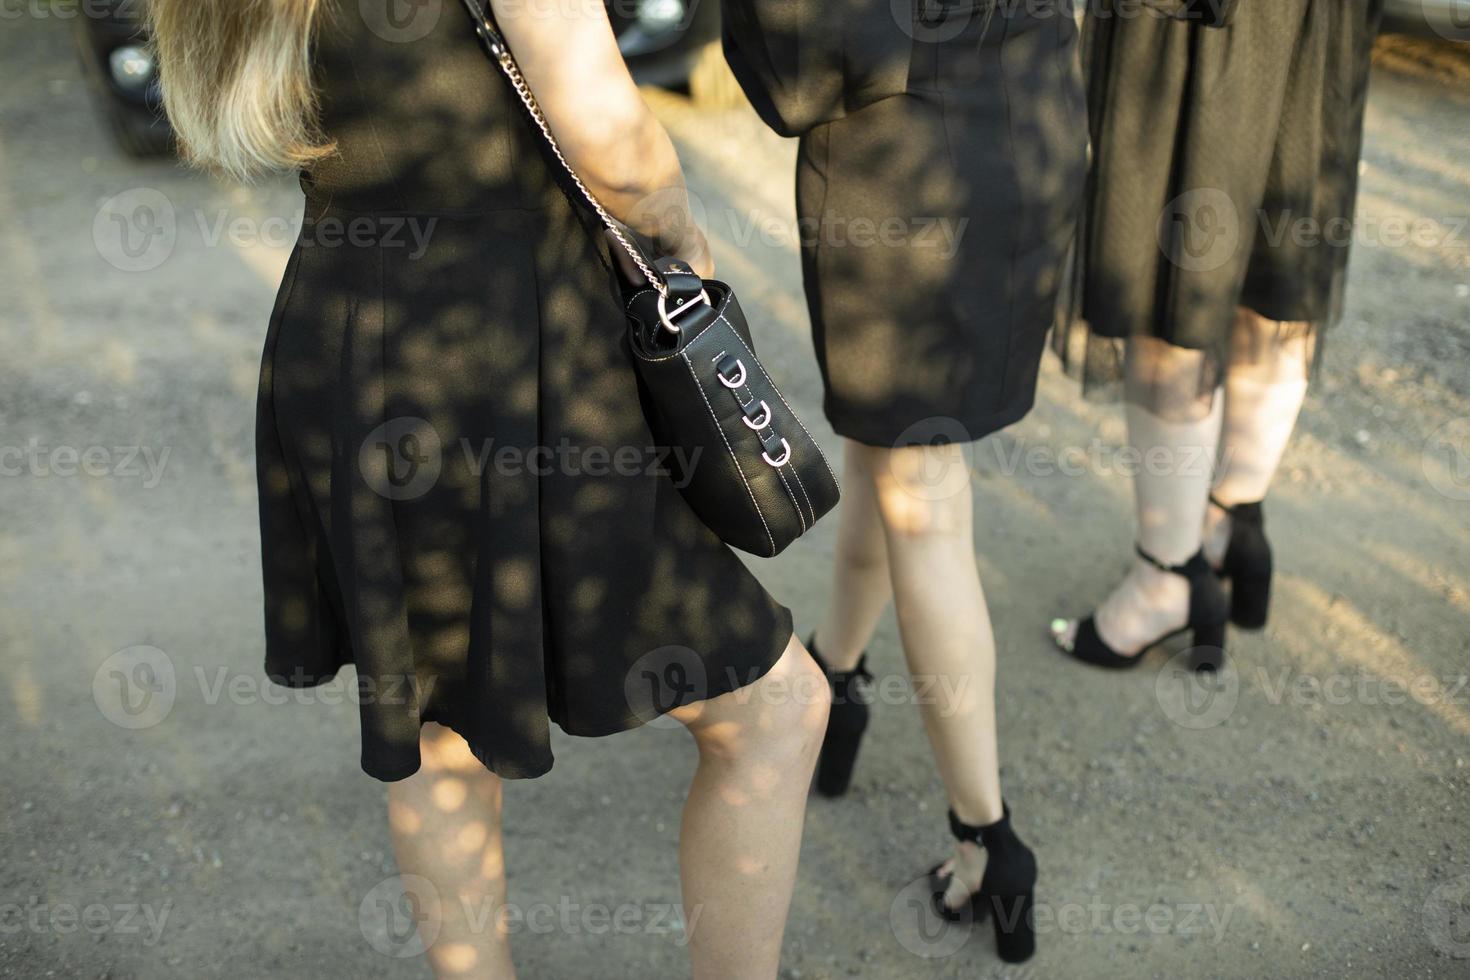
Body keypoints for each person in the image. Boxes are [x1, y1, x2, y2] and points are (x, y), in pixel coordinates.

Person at [148, 1, 830, 976]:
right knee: (776, 705)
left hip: (354, 335)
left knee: (440, 726)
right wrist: (685, 253)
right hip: (512, 337)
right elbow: (613, 137)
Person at [724, 0, 1087, 962]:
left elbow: (792, 67)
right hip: (1035, 118)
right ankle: (837, 677)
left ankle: (986, 839)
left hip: (907, 173)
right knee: (889, 456)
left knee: (922, 499)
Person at [1050, 0, 1385, 669]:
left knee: (1166, 281)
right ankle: (1231, 521)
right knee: (1274, 270)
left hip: (1191, 20)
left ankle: (1166, 578)